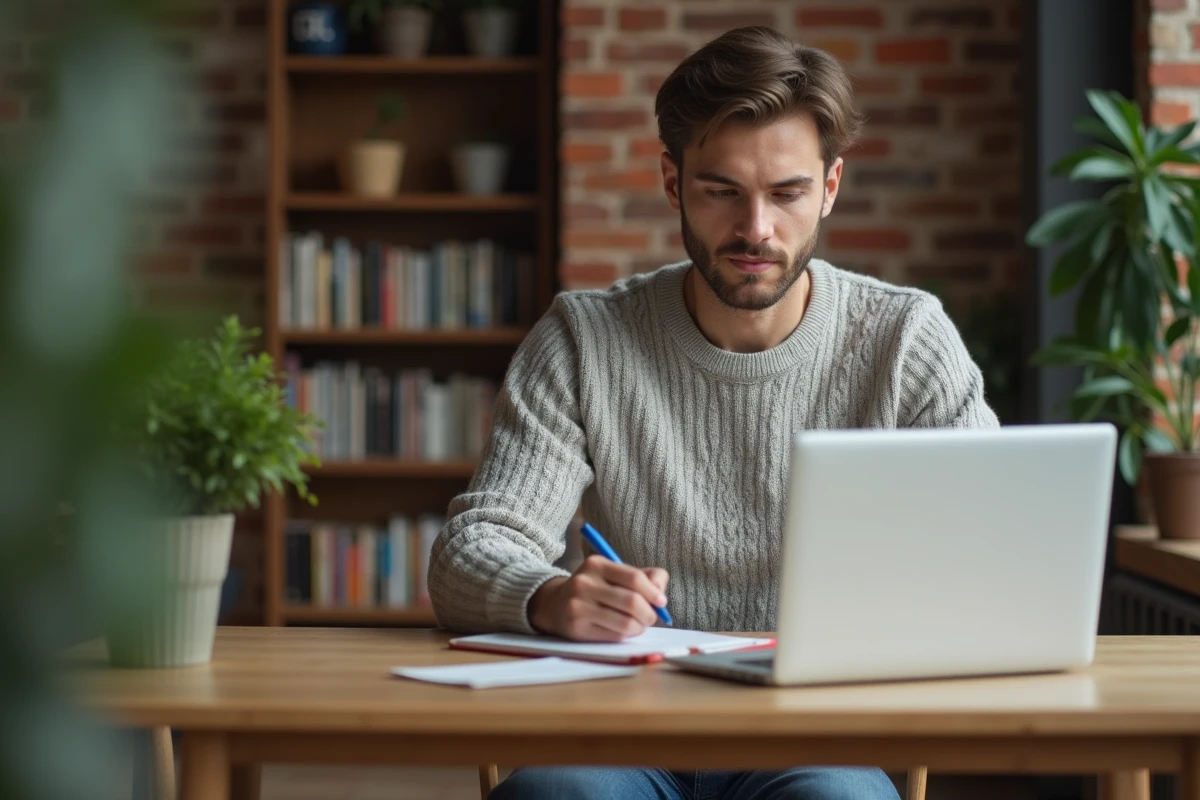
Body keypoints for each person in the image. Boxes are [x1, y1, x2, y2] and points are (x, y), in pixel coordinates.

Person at [428, 25, 999, 800]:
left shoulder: (905, 340)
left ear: (831, 187)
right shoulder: (584, 339)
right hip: (618, 727)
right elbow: (469, 550)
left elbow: (991, 560)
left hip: (816, 734)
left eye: (787, 193)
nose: (755, 230)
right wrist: (549, 596)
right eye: (722, 191)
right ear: (673, 184)